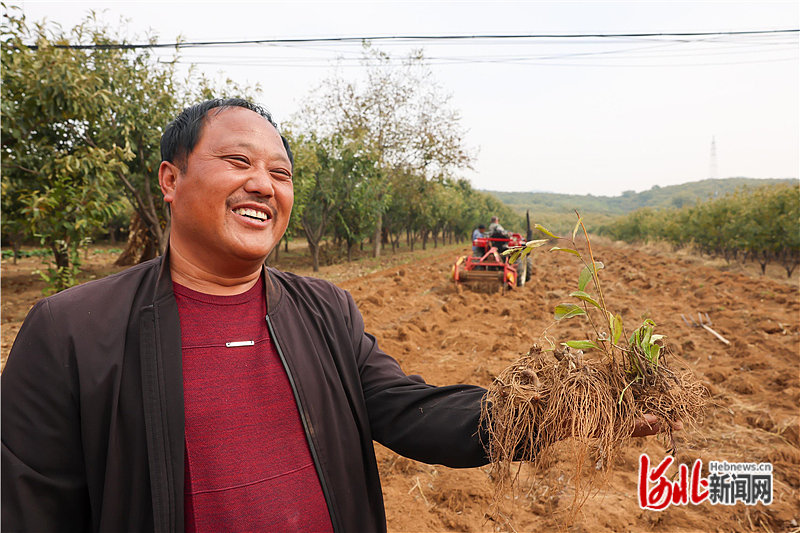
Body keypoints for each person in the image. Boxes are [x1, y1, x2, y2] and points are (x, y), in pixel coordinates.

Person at [1, 98, 666, 533]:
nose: (263, 184)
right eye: (237, 162)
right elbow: (29, 508)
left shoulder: (325, 310)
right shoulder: (72, 331)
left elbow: (413, 412)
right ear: (170, 181)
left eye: (281, 173)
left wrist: (549, 410)